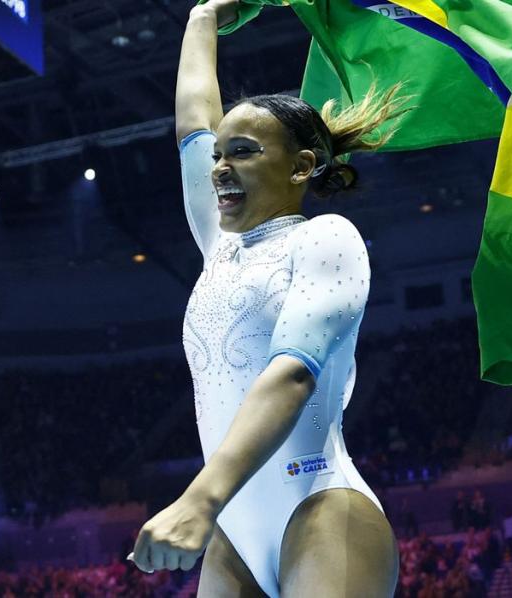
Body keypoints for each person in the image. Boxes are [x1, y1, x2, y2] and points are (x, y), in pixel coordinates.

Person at [128, 0, 406, 595]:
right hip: (234, 532)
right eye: (218, 155)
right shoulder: (219, 245)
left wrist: (200, 498)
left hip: (321, 509)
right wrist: (203, 19)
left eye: (243, 152)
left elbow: (292, 375)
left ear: (302, 166)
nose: (219, 167)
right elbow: (192, 120)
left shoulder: (326, 238)